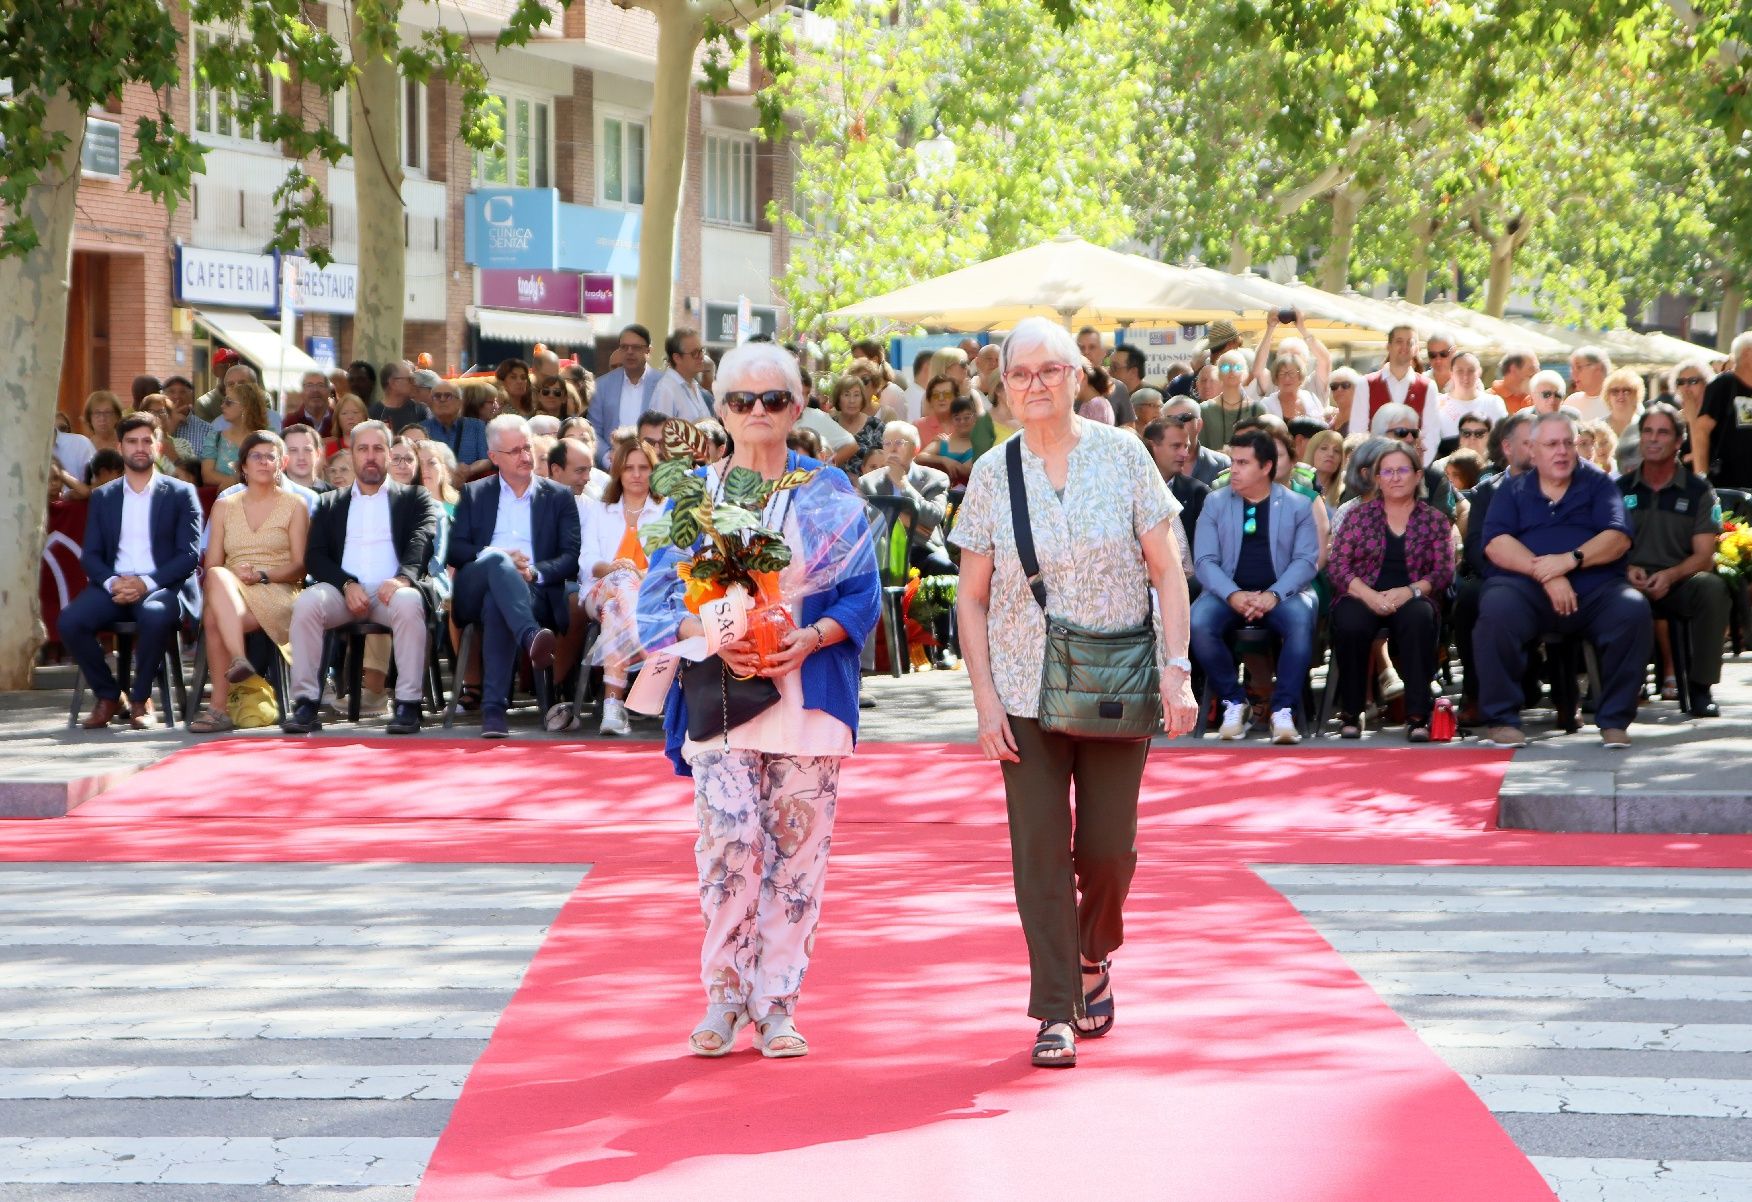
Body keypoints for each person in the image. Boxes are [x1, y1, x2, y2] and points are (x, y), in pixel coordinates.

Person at [950, 316, 1194, 1069]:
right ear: (1003, 387)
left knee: (1109, 852)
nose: (1034, 385)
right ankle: (1055, 1007)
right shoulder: (994, 472)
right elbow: (972, 598)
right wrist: (985, 702)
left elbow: (1168, 571)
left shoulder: (1124, 457)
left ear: (1077, 377)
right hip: (1025, 686)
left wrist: (1176, 668)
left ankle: (1095, 954)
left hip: (1117, 681)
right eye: (1020, 374)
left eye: (1049, 371)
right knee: (1038, 854)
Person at [636, 340, 880, 1060]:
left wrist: (811, 636)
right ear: (720, 409)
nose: (758, 412)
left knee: (796, 856)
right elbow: (654, 604)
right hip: (720, 697)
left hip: (808, 697)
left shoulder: (828, 490)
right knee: (731, 841)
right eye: (742, 400)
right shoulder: (693, 496)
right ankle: (723, 992)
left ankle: (776, 1003)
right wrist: (717, 635)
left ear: (798, 407)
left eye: (774, 399)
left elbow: (863, 594)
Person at [1475, 412, 1651, 748]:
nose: (1562, 451)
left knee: (1632, 609)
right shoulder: (1512, 489)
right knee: (1496, 608)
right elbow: (1497, 544)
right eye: (1552, 444)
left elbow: (1618, 537)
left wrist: (1570, 561)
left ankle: (1614, 719)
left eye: (1568, 443)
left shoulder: (1599, 484)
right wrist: (1547, 574)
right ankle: (1502, 718)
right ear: (1534, 451)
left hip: (1595, 589)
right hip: (1525, 589)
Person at [283, 421, 441, 737]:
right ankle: (306, 702)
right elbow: (315, 556)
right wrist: (345, 583)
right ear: (352, 454)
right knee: (307, 603)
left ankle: (408, 704)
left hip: (392, 591)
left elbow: (422, 540)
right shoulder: (330, 503)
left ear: (389, 455)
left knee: (410, 603)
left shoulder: (414, 498)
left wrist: (401, 580)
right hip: (343, 593)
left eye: (378, 449)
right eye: (363, 449)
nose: (370, 456)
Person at [61, 414, 202, 730]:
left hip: (163, 584)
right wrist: (113, 582)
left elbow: (188, 556)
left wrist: (146, 583)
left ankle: (141, 700)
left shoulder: (181, 493)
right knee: (70, 621)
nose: (140, 448)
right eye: (132, 441)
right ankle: (110, 695)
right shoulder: (103, 496)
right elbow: (91, 556)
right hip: (114, 585)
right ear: (119, 446)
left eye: (146, 441)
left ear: (159, 445)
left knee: (154, 615)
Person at [447, 414, 581, 739]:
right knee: (496, 564)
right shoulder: (474, 493)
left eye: (527, 448)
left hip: (532, 590)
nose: (525, 456)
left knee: (498, 602)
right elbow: (455, 551)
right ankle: (531, 636)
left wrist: (534, 572)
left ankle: (494, 711)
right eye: (514, 451)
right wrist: (499, 556)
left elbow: (569, 559)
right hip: (474, 588)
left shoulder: (559, 496)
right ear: (494, 458)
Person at [1191, 430, 1321, 744]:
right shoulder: (1215, 502)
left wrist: (1273, 595)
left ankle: (1283, 709)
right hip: (1227, 594)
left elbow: (1306, 561)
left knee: (1301, 619)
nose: (1233, 469)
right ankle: (1235, 701)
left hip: (1283, 594)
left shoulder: (1298, 505)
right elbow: (1205, 561)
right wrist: (1233, 594)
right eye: (1233, 461)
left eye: (1243, 463)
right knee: (1198, 621)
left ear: (1266, 467)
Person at [1325, 443, 1455, 740]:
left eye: (1402, 470)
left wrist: (1409, 591)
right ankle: (1352, 711)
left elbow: (1444, 570)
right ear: (1378, 479)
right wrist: (1369, 595)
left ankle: (1418, 714)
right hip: (1362, 594)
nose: (1395, 478)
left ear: (1418, 476)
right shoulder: (1359, 516)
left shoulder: (1433, 520)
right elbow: (1338, 566)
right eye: (1388, 472)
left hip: (1412, 596)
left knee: (1419, 617)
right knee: (1350, 622)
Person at [188, 430, 309, 733]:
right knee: (217, 577)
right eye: (256, 456)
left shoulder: (296, 505)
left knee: (215, 617)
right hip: (232, 588)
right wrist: (237, 575)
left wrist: (262, 575)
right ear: (242, 465)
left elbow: (299, 566)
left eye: (271, 456)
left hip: (277, 588)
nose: (264, 462)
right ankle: (239, 658)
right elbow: (212, 563)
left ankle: (218, 708)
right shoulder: (224, 506)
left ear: (281, 463)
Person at [1617, 403, 1730, 718]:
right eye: (1647, 432)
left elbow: (1704, 556)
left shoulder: (1697, 490)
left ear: (1678, 441)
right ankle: (1612, 688)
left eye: (1662, 432)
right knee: (1603, 590)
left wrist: (1670, 575)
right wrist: (1625, 568)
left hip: (1679, 580)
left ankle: (1700, 688)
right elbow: (1605, 544)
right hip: (1629, 579)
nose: (1653, 439)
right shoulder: (1618, 489)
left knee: (1712, 588)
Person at [575, 437, 665, 736]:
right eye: (629, 468)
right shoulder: (601, 510)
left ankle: (613, 707)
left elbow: (671, 563)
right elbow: (587, 560)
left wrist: (638, 573)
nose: (637, 475)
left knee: (615, 611)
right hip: (601, 588)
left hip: (650, 595)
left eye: (644, 468)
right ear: (618, 472)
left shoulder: (666, 511)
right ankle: (646, 647)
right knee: (620, 582)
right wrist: (616, 568)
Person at [858, 420, 955, 577]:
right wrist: (904, 519)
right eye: (887, 443)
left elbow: (933, 517)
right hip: (884, 550)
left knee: (943, 567)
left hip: (923, 549)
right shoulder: (868, 481)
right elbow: (864, 518)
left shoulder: (936, 478)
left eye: (899, 442)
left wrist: (904, 485)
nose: (893, 448)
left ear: (915, 449)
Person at [588, 325, 664, 468]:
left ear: (648, 350)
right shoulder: (602, 386)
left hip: (654, 466)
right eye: (624, 347)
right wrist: (608, 459)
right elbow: (593, 431)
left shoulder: (664, 385)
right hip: (612, 467)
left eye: (636, 347)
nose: (629, 352)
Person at [1424, 352, 1508, 464]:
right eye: (1460, 371)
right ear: (1451, 373)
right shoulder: (1438, 404)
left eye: (1471, 370)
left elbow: (1503, 440)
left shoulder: (1494, 403)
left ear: (1479, 372)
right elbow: (1429, 443)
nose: (1465, 376)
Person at [1248, 310, 1331, 421]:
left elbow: (1325, 360)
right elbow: (1257, 370)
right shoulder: (1273, 382)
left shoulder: (1315, 382)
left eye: (1295, 356)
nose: (1289, 361)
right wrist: (1270, 328)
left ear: (1305, 361)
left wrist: (1302, 328)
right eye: (1284, 356)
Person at [1355, 325, 1431, 434]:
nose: (1404, 347)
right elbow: (1357, 431)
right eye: (1399, 341)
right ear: (1388, 346)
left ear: (1416, 349)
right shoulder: (1365, 383)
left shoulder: (1428, 386)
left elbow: (1430, 434)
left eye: (1410, 342)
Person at [1699, 332, 1752, 487]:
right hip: (1727, 486)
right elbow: (1701, 431)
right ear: (1748, 354)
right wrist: (1702, 479)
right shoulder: (1723, 385)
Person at [203, 380, 271, 487]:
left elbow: (270, 474)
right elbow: (207, 475)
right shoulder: (215, 437)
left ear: (245, 407)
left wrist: (235, 481)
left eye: (229, 402)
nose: (222, 406)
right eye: (223, 401)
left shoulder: (266, 440)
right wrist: (236, 481)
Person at [421, 378, 491, 480]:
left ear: (460, 403)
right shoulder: (421, 429)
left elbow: (486, 460)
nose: (442, 400)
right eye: (437, 396)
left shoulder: (477, 426)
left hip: (469, 487)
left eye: (448, 396)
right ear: (431, 403)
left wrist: (468, 470)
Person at [1199, 349, 1266, 451]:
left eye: (1237, 367)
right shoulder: (1205, 409)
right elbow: (1200, 450)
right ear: (1218, 373)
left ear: (1244, 372)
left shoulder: (1257, 409)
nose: (1231, 371)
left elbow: (1262, 449)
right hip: (1215, 466)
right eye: (1225, 367)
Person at [1162, 395, 1230, 485]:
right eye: (1170, 420)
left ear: (1199, 424)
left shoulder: (1221, 464)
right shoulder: (1152, 464)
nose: (1177, 424)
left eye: (1184, 418)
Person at [651, 327, 714, 422]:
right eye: (695, 353)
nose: (701, 356)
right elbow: (660, 433)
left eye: (701, 350)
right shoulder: (666, 389)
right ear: (677, 358)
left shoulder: (693, 384)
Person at [827, 372, 884, 471]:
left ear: (862, 399)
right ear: (838, 399)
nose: (852, 401)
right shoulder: (829, 424)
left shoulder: (876, 426)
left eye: (856, 395)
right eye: (846, 395)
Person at [918, 396, 979, 486]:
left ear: (975, 418)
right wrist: (943, 460)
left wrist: (953, 464)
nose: (962, 422)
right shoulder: (942, 441)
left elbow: (969, 472)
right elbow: (919, 457)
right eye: (957, 418)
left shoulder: (980, 445)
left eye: (967, 417)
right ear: (951, 420)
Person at [1672, 358, 1714, 475]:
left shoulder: (1714, 418)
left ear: (1706, 384)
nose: (1686, 387)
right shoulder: (1673, 420)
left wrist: (1693, 419)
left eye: (1693, 381)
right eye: (1681, 382)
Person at [1602, 368, 1647, 474]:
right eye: (1615, 391)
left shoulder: (1645, 426)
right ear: (1607, 396)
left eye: (1627, 391)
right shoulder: (1600, 426)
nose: (1620, 395)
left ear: (1637, 395)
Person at [372, 360, 430, 430]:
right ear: (393, 383)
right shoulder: (373, 414)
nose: (414, 383)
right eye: (410, 379)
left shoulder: (420, 411)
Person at [1566, 347, 1612, 422]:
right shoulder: (1571, 402)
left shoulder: (1618, 402)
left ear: (1598, 368)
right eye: (1572, 369)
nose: (1573, 374)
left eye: (1579, 367)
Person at [281, 424, 331, 494]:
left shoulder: (338, 497)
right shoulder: (268, 497)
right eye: (293, 450)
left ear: (318, 454)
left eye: (307, 450)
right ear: (283, 457)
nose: (301, 457)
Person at [1302, 428, 1345, 510]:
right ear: (1312, 453)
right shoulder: (1295, 487)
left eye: (1336, 451)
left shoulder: (1345, 494)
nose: (1331, 454)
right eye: (1324, 448)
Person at [913, 372, 957, 448]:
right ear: (930, 400)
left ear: (956, 398)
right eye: (936, 395)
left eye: (946, 394)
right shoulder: (917, 427)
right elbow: (910, 458)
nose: (941, 398)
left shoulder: (964, 424)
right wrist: (932, 447)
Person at [284, 370, 336, 435]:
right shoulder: (291, 421)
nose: (315, 390)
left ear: (328, 392)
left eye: (320, 385)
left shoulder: (338, 419)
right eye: (309, 385)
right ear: (302, 393)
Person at [83, 390, 125, 456]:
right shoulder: (84, 447)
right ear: (89, 418)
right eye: (97, 413)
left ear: (117, 416)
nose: (102, 418)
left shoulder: (126, 444)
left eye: (108, 413)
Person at [1422, 328, 1458, 395]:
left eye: (1443, 354)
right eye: (1432, 355)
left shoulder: (1468, 382)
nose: (1438, 360)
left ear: (1454, 351)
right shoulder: (1420, 382)